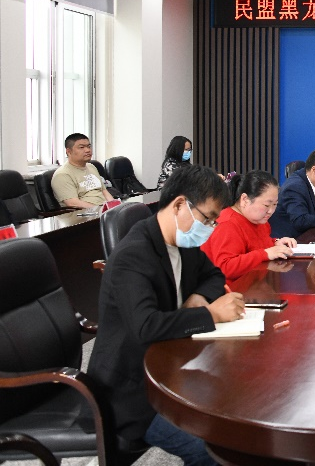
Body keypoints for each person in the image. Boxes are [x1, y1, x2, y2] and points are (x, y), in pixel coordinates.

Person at [86, 165, 245, 466]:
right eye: (208, 219)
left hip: (173, 362)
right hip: (133, 388)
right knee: (213, 449)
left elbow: (213, 275)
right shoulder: (133, 255)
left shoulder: (182, 240)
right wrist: (210, 314)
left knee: (237, 406)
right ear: (180, 205)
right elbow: (145, 326)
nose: (210, 228)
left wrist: (199, 298)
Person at [201, 170, 297, 285]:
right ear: (245, 200)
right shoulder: (227, 224)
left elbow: (256, 244)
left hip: (255, 284)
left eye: (275, 204)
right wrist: (265, 254)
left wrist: (276, 243)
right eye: (266, 205)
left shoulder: (259, 220)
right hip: (229, 290)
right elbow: (225, 267)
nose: (271, 211)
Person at [50, 132, 115, 208]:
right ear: (69, 151)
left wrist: (114, 207)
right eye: (81, 147)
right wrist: (100, 210)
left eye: (89, 146)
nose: (88, 150)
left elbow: (104, 191)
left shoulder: (91, 167)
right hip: (86, 212)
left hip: (104, 209)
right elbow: (73, 203)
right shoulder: (62, 174)